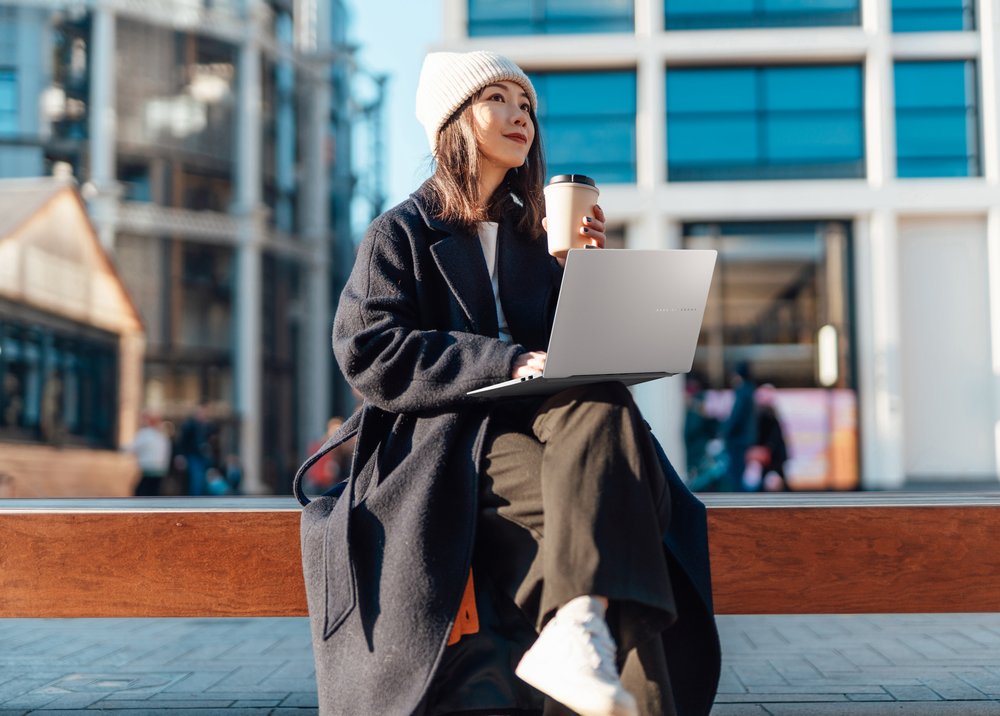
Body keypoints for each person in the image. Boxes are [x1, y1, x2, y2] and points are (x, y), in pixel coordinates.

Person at [297, 51, 720, 716]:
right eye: (499, 100)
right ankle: (604, 663)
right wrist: (501, 363)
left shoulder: (536, 237)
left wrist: (582, 270)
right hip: (450, 439)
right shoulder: (400, 232)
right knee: (627, 513)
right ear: (454, 122)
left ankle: (574, 630)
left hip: (553, 424)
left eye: (526, 106)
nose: (520, 116)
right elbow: (368, 351)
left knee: (604, 402)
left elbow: (580, 358)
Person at [719, 361, 757, 492]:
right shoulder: (749, 390)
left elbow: (736, 417)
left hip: (737, 440)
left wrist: (723, 432)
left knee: (735, 476)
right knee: (740, 473)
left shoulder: (742, 392)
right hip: (744, 439)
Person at [124, 410, 172, 497]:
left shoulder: (145, 434)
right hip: (161, 470)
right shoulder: (162, 435)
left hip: (149, 469)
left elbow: (132, 448)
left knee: (140, 493)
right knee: (154, 493)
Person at [176, 404, 214, 496]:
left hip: (204, 456)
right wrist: (180, 455)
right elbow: (182, 441)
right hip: (193, 455)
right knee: (197, 480)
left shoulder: (206, 426)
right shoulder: (189, 425)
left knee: (205, 480)